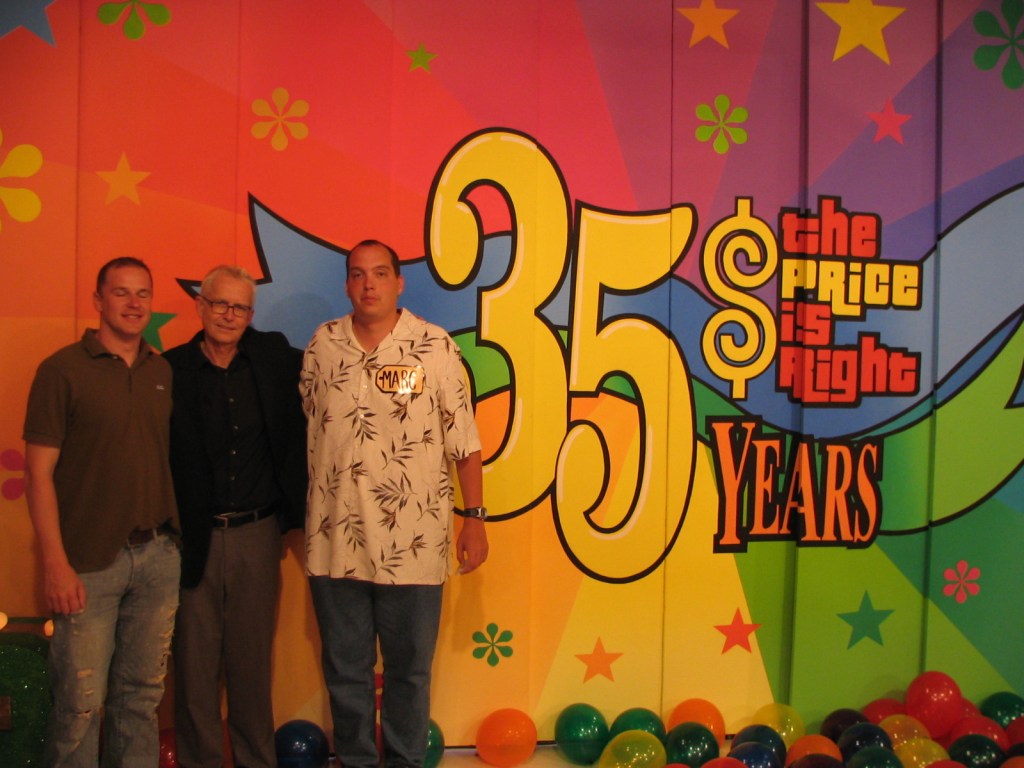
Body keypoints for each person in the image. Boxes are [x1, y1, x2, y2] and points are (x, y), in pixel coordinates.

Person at [302, 239, 489, 768]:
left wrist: (474, 520)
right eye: (358, 274)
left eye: (380, 273)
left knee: (408, 672)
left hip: (413, 542)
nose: (369, 284)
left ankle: (405, 761)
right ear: (347, 284)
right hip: (334, 544)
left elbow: (465, 442)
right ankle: (357, 760)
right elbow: (312, 427)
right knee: (346, 672)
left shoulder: (434, 347)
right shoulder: (322, 347)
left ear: (399, 282)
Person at [23, 256, 181, 767]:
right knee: (80, 706)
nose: (134, 304)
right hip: (87, 564)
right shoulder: (61, 370)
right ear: (98, 300)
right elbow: (38, 475)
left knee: (140, 700)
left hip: (158, 557)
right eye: (121, 292)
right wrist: (55, 564)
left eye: (143, 294)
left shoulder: (161, 370)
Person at [164, 265, 307, 768]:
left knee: (251, 668)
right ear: (200, 305)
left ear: (251, 313)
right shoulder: (170, 369)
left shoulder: (274, 357)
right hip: (192, 538)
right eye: (220, 304)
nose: (229, 315)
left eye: (240, 307)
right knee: (194, 670)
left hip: (258, 534)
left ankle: (255, 762)